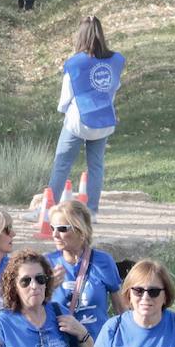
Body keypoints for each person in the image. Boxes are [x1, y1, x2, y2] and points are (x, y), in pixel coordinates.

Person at [47, 16, 124, 214]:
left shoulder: (74, 64)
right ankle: (92, 211)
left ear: (80, 36)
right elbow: (113, 88)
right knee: (96, 166)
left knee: (62, 164)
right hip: (104, 120)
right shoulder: (115, 61)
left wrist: (64, 111)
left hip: (77, 121)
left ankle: (49, 209)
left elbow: (66, 96)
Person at [46, 199, 123, 342]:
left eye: (62, 229)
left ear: (81, 231)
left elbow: (121, 308)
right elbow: (32, 308)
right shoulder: (46, 263)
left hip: (97, 346)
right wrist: (48, 288)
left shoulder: (103, 261)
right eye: (52, 228)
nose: (54, 235)